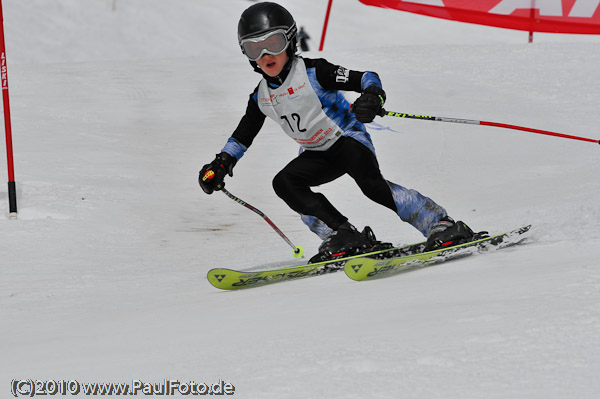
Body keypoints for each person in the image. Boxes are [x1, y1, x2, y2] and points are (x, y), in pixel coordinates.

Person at [199, 2, 474, 260]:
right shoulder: (260, 97)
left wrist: (372, 96)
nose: (265, 55)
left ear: (291, 41)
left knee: (372, 186)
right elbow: (242, 136)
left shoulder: (315, 72)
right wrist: (222, 163)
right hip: (316, 154)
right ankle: (343, 235)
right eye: (253, 49)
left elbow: (366, 77)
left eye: (273, 43)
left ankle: (441, 224)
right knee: (286, 183)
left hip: (347, 140)